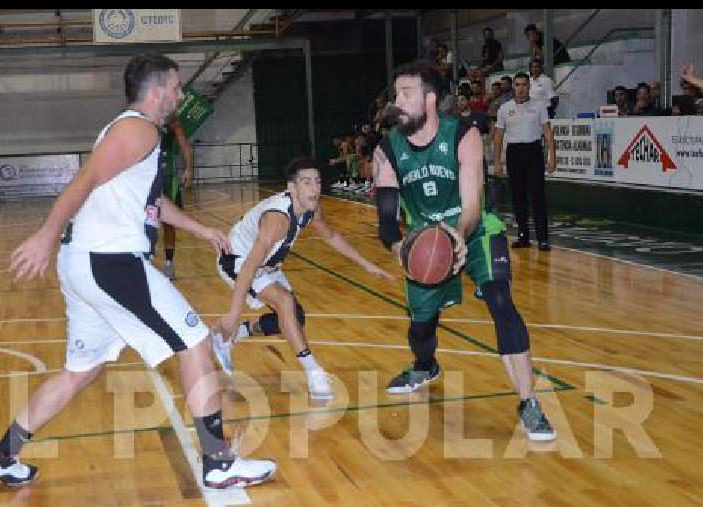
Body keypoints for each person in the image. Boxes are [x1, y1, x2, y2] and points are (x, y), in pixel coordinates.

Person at [0, 53, 277, 489]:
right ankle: (219, 462)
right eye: (175, 87)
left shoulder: (133, 132)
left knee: (82, 370)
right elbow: (84, 180)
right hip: (109, 263)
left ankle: (2, 455)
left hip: (86, 265)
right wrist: (44, 233)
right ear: (157, 91)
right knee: (194, 342)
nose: (179, 94)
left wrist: (199, 228)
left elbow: (148, 203)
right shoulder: (139, 129)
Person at [373, 61, 555, 442]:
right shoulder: (388, 149)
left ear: (430, 99)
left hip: (472, 232)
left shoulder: (464, 133)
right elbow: (387, 221)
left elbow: (472, 204)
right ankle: (425, 365)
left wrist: (457, 235)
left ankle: (528, 403)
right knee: (421, 325)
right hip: (423, 241)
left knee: (501, 301)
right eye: (395, 95)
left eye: (405, 94)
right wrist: (400, 247)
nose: (397, 102)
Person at [212, 156, 394, 400]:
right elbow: (249, 266)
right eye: (306, 182)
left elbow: (330, 236)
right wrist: (234, 313)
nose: (314, 188)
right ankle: (314, 373)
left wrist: (367, 264)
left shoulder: (312, 209)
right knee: (284, 301)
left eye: (317, 181)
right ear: (292, 187)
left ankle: (235, 335)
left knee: (294, 319)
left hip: (266, 264)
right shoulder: (277, 219)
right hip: (238, 260)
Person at [494, 72, 557, 251]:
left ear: (529, 87)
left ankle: (543, 239)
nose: (521, 88)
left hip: (533, 152)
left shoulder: (539, 106)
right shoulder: (504, 108)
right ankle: (523, 236)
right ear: (513, 87)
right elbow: (498, 137)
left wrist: (553, 156)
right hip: (514, 154)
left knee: (538, 196)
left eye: (524, 85)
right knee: (518, 197)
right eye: (518, 85)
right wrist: (497, 161)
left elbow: (547, 132)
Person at [160, 117, 194, 280]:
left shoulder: (171, 121)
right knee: (143, 221)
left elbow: (185, 146)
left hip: (166, 177)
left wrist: (188, 168)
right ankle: (145, 260)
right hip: (145, 177)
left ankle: (169, 263)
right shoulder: (140, 118)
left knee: (168, 223)